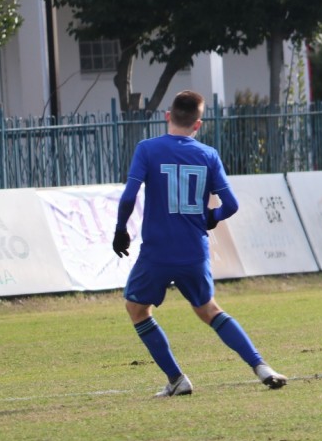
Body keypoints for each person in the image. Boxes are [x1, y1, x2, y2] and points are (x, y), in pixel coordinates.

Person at [113, 90, 287, 397]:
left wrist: (120, 230)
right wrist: (211, 217)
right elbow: (230, 204)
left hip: (157, 250)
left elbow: (129, 195)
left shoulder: (147, 149)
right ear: (198, 124)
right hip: (194, 249)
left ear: (168, 116)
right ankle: (261, 367)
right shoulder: (208, 155)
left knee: (136, 308)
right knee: (209, 310)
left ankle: (177, 379)